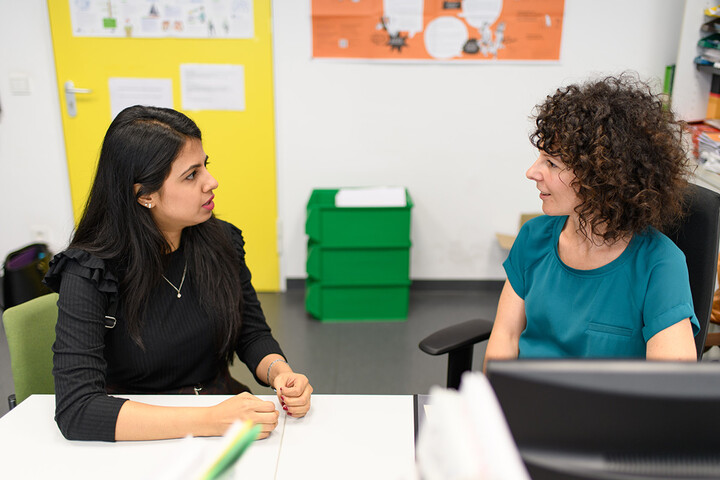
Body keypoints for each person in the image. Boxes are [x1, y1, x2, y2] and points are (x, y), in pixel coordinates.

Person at [44, 105, 312, 442]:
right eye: (191, 175)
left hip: (221, 412)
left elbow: (251, 333)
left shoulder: (221, 240)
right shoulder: (89, 272)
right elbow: (77, 409)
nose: (211, 182)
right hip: (138, 430)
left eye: (206, 167)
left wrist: (280, 373)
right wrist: (211, 420)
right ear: (144, 195)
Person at [484, 74, 699, 367]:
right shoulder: (533, 237)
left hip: (606, 412)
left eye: (552, 162)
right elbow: (505, 336)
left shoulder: (659, 264)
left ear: (601, 177)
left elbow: (672, 387)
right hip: (528, 403)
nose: (532, 172)